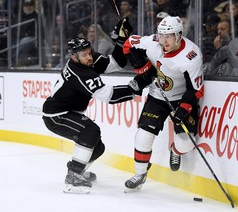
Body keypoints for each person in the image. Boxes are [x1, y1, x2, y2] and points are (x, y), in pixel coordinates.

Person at [42, 18, 138, 194]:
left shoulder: (86, 60)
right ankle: (73, 176)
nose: (89, 57)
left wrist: (121, 40)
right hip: (56, 116)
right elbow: (111, 96)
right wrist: (138, 85)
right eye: (85, 54)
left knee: (98, 147)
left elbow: (116, 63)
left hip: (68, 112)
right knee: (90, 131)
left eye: (89, 52)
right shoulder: (80, 73)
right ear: (73, 56)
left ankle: (79, 171)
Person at [122, 16, 204, 191]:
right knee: (143, 137)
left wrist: (183, 109)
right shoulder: (153, 42)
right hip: (157, 96)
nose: (163, 40)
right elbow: (128, 44)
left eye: (169, 36)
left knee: (186, 143)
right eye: (161, 35)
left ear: (179, 35)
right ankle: (140, 174)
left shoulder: (191, 55)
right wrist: (142, 68)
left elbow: (195, 90)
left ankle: (175, 150)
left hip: (181, 98)